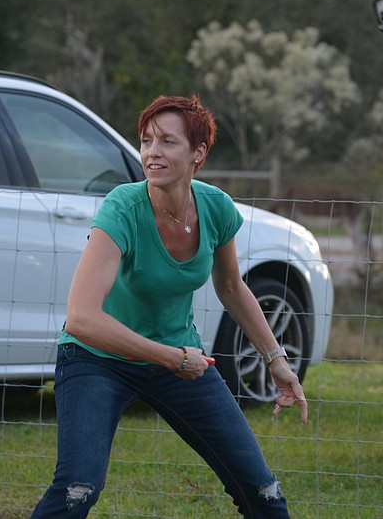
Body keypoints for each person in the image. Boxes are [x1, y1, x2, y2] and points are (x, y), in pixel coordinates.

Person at [31, 94, 308, 518]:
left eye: (166, 142)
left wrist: (275, 360)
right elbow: (82, 319)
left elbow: (232, 287)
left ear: (198, 153)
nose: (151, 153)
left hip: (180, 356)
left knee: (263, 490)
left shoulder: (216, 207)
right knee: (77, 488)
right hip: (97, 360)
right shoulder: (123, 207)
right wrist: (173, 359)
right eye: (146, 141)